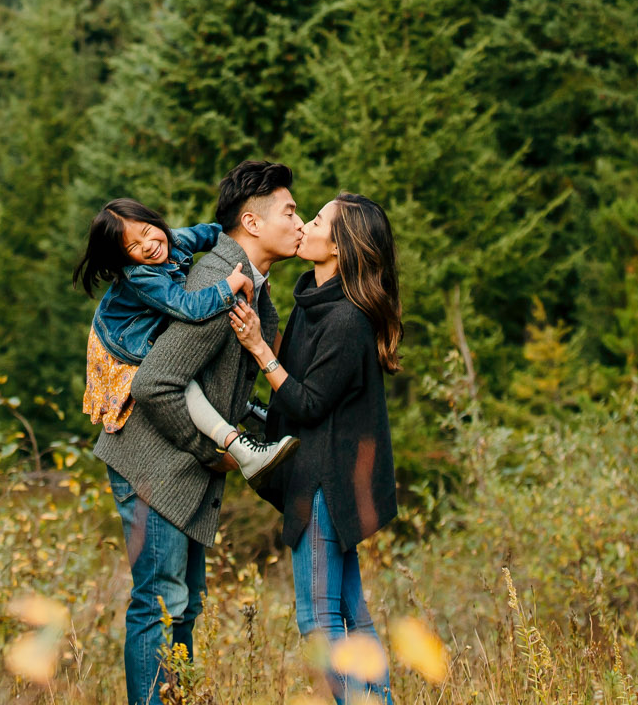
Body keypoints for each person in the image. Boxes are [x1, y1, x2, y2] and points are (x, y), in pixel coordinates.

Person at [93, 160, 305, 705]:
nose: (299, 220)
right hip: (153, 465)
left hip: (178, 463)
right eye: (290, 210)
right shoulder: (216, 283)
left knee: (185, 604)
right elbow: (156, 386)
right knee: (161, 602)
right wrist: (214, 451)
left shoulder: (249, 282)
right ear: (252, 223)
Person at [227, 193, 401, 705]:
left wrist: (259, 349)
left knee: (319, 623)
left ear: (341, 249)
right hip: (323, 476)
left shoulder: (346, 320)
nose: (304, 225)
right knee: (351, 609)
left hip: (326, 487)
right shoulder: (313, 300)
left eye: (318, 220)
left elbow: (307, 403)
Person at [72, 198, 298, 479]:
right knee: (176, 376)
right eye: (133, 247)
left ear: (155, 222)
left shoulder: (175, 239)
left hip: (150, 320)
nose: (148, 245)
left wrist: (252, 244)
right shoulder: (141, 276)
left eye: (145, 232)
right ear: (125, 258)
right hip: (125, 340)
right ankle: (238, 446)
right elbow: (188, 306)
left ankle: (246, 410)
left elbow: (217, 233)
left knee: (196, 352)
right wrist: (230, 284)